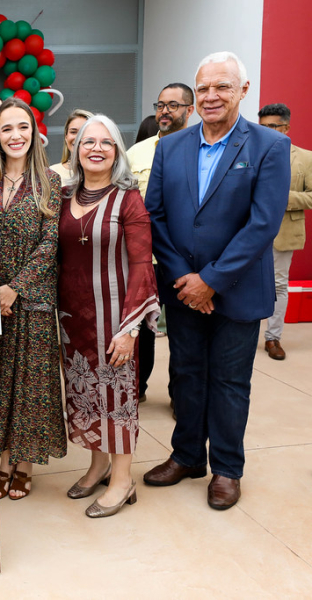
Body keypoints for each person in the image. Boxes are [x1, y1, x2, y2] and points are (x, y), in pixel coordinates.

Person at [143, 52, 290, 511]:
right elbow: (155, 216)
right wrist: (185, 279)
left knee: (229, 382)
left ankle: (227, 468)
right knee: (186, 375)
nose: (211, 96)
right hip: (182, 289)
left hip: (237, 290)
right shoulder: (170, 147)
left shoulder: (269, 146)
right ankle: (187, 456)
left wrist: (211, 280)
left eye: (222, 86)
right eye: (203, 87)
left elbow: (263, 225)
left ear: (243, 90)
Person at [0, 97, 66, 500]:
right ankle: (2, 460)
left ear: (34, 132)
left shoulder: (50, 182)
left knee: (29, 387)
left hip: (32, 300)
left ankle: (23, 465)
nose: (15, 135)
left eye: (23, 127)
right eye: (6, 128)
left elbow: (50, 243)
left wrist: (14, 287)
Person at [58, 114, 159, 518]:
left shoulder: (128, 198)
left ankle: (122, 479)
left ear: (117, 151)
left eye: (106, 142)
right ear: (76, 149)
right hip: (73, 319)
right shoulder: (64, 195)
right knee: (84, 392)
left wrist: (130, 328)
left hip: (115, 317)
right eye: (88, 141)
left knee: (117, 398)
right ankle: (98, 465)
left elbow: (142, 264)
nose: (96, 148)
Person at [127, 83, 195, 407]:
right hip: (143, 259)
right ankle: (136, 388)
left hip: (184, 261)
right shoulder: (137, 153)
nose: (165, 111)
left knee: (183, 334)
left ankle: (180, 398)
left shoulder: (201, 150)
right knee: (141, 332)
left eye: (173, 105)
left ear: (189, 110)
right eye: (160, 105)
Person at [258, 103, 312, 360]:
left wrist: (283, 197)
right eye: (262, 126)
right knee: (241, 282)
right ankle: (239, 334)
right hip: (249, 230)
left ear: (286, 128)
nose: (267, 131)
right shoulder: (248, 153)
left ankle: (273, 337)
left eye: (273, 126)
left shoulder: (306, 158)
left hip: (284, 230)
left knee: (279, 285)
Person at [49, 109, 94, 180]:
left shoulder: (105, 172)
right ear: (66, 137)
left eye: (84, 132)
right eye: (73, 132)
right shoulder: (52, 173)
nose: (78, 137)